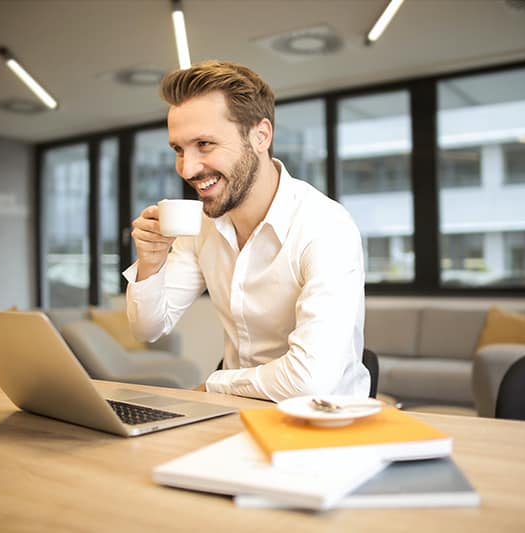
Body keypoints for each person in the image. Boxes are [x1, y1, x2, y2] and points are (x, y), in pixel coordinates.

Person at [123, 60, 368, 402]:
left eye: (205, 144)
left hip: (322, 425)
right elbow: (147, 328)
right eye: (179, 149)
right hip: (235, 416)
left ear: (261, 136)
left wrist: (215, 384)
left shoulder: (326, 227)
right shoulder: (204, 227)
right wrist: (150, 262)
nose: (188, 168)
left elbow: (310, 380)